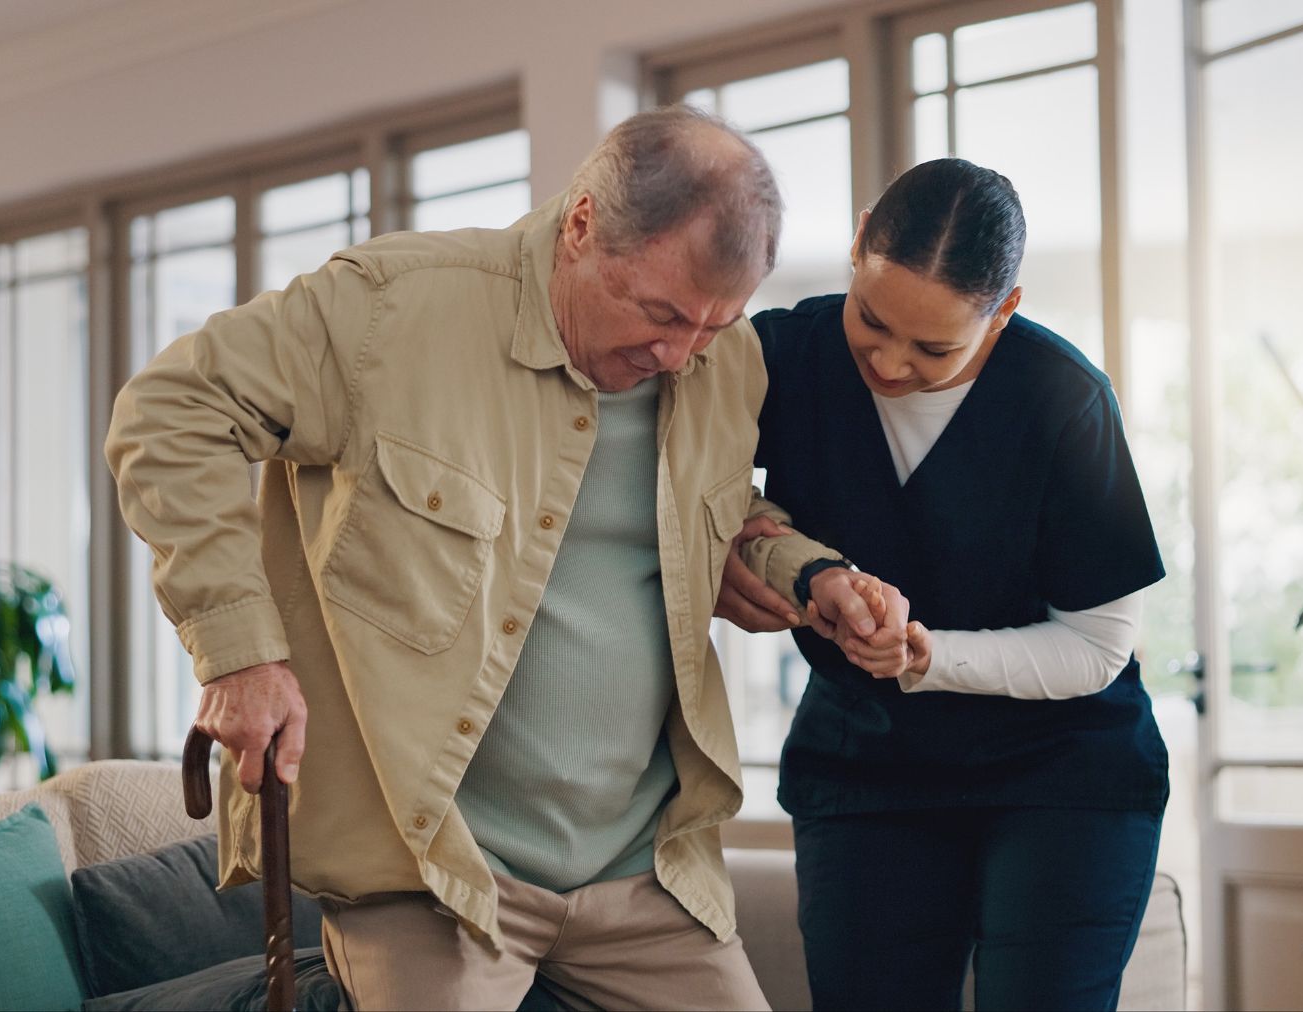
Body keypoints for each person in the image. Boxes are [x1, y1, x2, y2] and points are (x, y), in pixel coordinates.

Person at [104, 106, 903, 1011]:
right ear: (580, 226)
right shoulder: (389, 310)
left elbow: (718, 515)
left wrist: (813, 575)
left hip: (641, 868)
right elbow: (167, 415)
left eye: (711, 328)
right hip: (436, 874)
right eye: (660, 314)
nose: (677, 355)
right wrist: (241, 652)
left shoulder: (728, 365)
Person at [718, 158, 1170, 1011]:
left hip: (1061, 772)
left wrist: (927, 655)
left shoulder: (1062, 401)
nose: (889, 364)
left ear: (1005, 310)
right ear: (856, 246)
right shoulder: (781, 356)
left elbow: (1098, 644)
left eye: (934, 347)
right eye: (872, 321)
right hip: (867, 763)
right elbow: (679, 474)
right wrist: (772, 552)